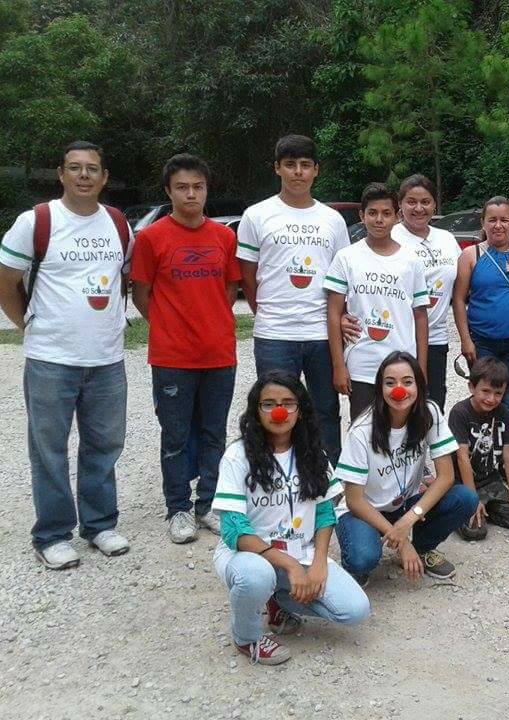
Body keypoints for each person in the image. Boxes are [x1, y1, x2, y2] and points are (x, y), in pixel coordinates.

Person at [0, 140, 132, 569]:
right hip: (51, 359)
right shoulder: (35, 221)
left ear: (104, 177)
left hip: (107, 358)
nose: (83, 175)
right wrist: (29, 326)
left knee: (104, 444)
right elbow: (6, 281)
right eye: (74, 168)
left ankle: (98, 525)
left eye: (92, 168)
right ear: (61, 174)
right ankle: (53, 534)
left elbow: (121, 278)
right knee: (49, 448)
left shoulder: (117, 223)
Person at [211, 372, 369, 666]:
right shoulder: (237, 456)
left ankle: (277, 598)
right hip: (248, 555)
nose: (279, 411)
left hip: (302, 552)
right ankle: (247, 638)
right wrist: (290, 566)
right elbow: (233, 528)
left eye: (287, 403)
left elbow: (324, 511)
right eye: (268, 404)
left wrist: (319, 561)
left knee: (355, 610)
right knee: (256, 576)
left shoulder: (313, 454)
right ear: (256, 411)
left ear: (300, 409)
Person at [131, 153, 241, 544]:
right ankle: (177, 507)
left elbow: (230, 288)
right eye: (182, 187)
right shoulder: (151, 237)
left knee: (214, 433)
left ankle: (208, 503)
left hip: (219, 352)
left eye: (198, 187)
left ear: (207, 190)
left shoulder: (225, 237)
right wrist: (168, 321)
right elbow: (141, 293)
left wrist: (208, 316)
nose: (191, 194)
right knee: (175, 435)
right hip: (172, 356)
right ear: (169, 191)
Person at [236, 134, 350, 462]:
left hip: (321, 335)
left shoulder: (332, 220)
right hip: (275, 335)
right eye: (290, 165)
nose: (297, 172)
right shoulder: (256, 215)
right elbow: (248, 275)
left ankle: (328, 479)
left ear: (316, 170)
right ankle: (278, 475)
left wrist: (338, 319)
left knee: (326, 411)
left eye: (304, 165)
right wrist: (267, 312)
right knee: (277, 412)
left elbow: (343, 278)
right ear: (277, 169)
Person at [333, 352, 478, 585]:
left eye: (407, 382)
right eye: (390, 383)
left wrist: (409, 520)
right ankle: (359, 564)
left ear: (419, 385)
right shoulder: (362, 430)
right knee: (363, 558)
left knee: (465, 498)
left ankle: (422, 547)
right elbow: (354, 501)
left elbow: (446, 477)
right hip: (364, 511)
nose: (399, 390)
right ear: (380, 388)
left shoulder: (429, 413)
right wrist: (402, 540)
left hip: (404, 505)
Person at [325, 184, 429, 420]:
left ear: (396, 216)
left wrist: (421, 368)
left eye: (386, 213)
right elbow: (333, 313)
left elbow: (420, 316)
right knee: (363, 432)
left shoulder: (411, 261)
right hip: (362, 365)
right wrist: (339, 366)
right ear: (362, 215)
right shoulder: (346, 257)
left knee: (402, 432)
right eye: (372, 213)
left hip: (402, 364)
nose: (379, 220)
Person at [452, 196, 509, 449]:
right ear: (483, 223)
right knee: (483, 398)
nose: (498, 225)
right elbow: (458, 300)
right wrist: (465, 339)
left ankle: (508, 458)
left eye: (504, 220)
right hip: (482, 340)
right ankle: (483, 456)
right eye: (492, 220)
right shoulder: (471, 255)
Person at [448, 356, 509, 540]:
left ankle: (486, 506)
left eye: (498, 393)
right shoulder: (459, 413)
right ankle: (465, 507)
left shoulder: (502, 412)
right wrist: (472, 499)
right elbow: (462, 457)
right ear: (471, 387)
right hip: (462, 483)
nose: (491, 399)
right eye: (485, 391)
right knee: (475, 532)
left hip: (490, 481)